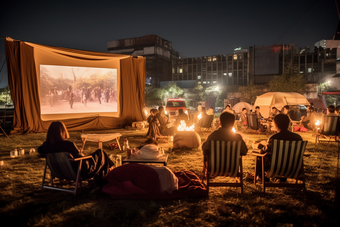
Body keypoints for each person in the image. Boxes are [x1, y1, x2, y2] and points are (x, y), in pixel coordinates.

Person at [38, 121, 114, 186]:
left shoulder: (45, 147)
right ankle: (106, 176)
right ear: (62, 132)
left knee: (98, 156)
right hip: (80, 171)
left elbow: (39, 150)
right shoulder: (68, 145)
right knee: (100, 153)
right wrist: (82, 154)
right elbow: (80, 159)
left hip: (60, 172)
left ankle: (104, 176)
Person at [249, 114, 302, 182]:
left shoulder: (274, 138)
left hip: (275, 169)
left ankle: (261, 177)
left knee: (259, 157)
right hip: (293, 169)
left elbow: (263, 152)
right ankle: (281, 178)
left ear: (276, 124)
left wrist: (259, 146)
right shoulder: (297, 138)